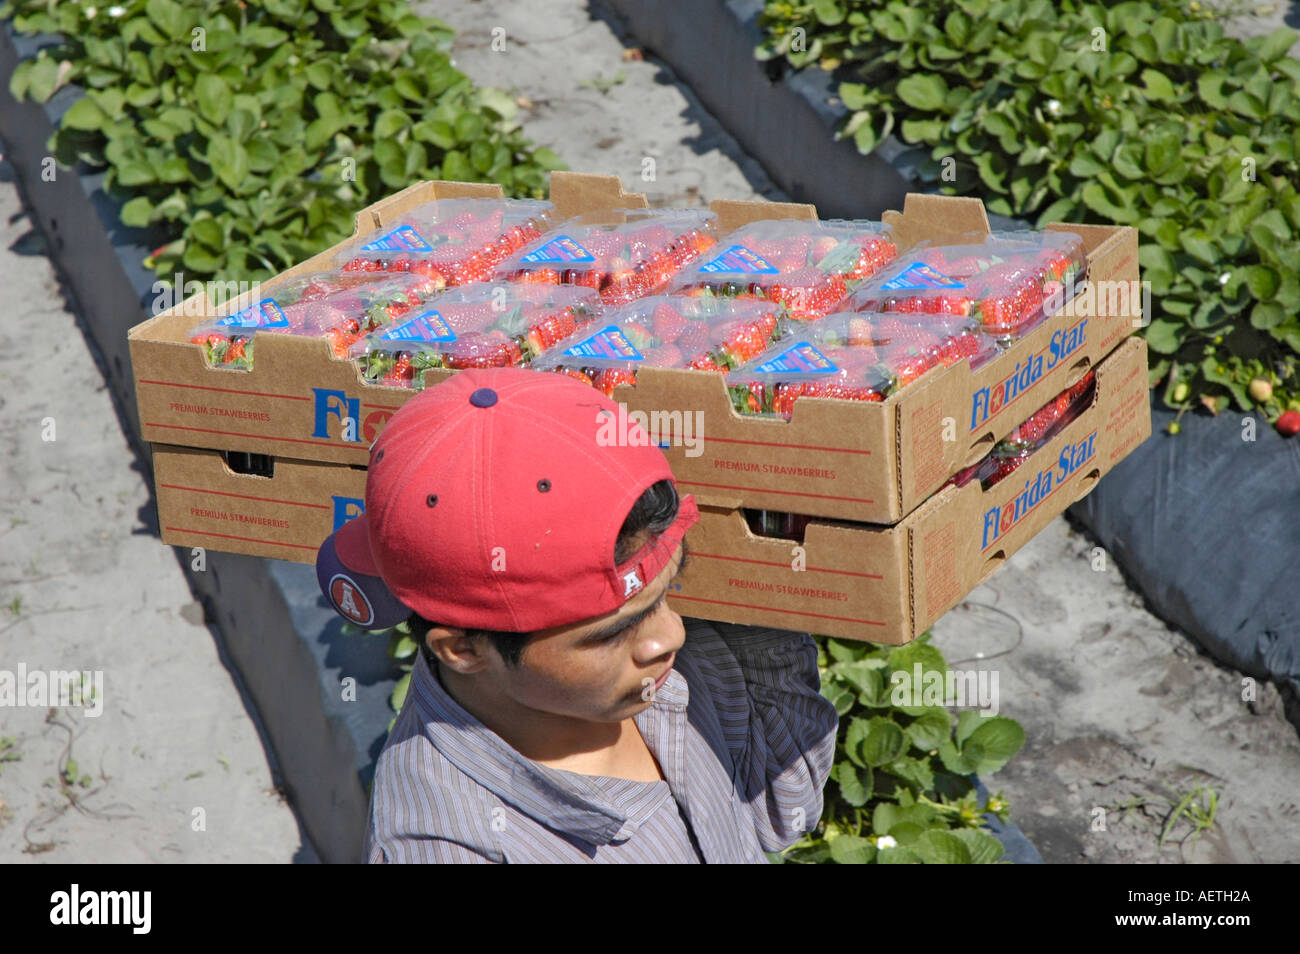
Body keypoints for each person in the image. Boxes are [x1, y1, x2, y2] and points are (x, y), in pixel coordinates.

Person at [316, 366, 839, 862]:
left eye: (666, 594)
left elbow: (781, 809)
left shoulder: (674, 656)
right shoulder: (457, 845)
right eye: (613, 633)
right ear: (464, 649)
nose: (670, 637)